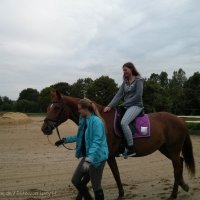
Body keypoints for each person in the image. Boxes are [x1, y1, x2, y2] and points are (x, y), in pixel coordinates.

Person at [55, 98, 109, 200]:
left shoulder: (96, 121)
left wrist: (89, 160)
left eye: (80, 109)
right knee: (75, 180)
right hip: (88, 156)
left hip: (97, 158)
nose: (78, 111)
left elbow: (96, 142)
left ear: (86, 109)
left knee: (96, 186)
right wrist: (64, 140)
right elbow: (81, 136)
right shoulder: (86, 120)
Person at [104, 62, 144, 157]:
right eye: (123, 70)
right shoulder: (125, 82)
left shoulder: (139, 80)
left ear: (131, 69)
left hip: (136, 106)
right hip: (126, 106)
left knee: (124, 122)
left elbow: (138, 96)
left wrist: (125, 103)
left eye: (125, 69)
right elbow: (118, 95)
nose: (124, 72)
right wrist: (110, 106)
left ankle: (131, 148)